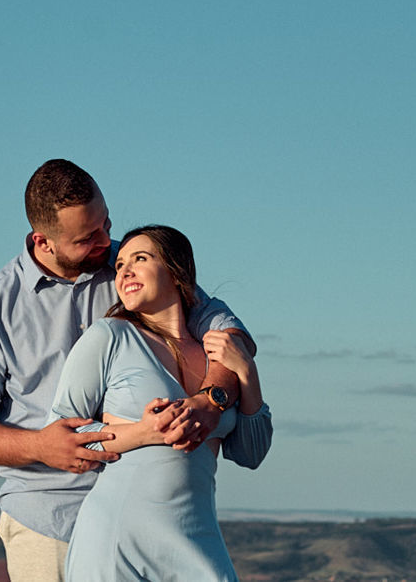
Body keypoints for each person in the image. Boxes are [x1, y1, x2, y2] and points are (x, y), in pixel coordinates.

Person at [0, 161, 254, 582]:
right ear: (43, 241)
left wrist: (211, 399)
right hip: (49, 521)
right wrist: (41, 446)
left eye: (105, 222)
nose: (106, 240)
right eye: (88, 236)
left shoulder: (132, 270)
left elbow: (231, 335)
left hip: (150, 521)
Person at [49, 224, 270, 582]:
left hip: (197, 540)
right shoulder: (109, 337)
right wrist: (143, 432)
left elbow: (252, 453)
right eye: (120, 265)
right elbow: (62, 435)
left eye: (140, 258)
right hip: (116, 542)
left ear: (176, 270)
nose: (125, 271)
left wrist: (247, 370)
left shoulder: (220, 355)